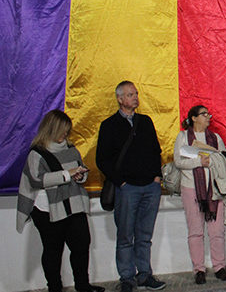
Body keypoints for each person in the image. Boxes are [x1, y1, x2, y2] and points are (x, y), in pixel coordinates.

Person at [17, 110, 105, 292]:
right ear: (51, 129)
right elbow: (36, 179)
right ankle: (54, 287)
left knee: (82, 246)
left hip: (74, 206)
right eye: (62, 130)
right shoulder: (37, 153)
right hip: (47, 210)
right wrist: (67, 174)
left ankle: (82, 285)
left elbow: (79, 169)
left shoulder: (71, 149)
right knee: (53, 251)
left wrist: (80, 175)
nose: (65, 134)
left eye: (67, 130)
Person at [95, 81, 165, 292]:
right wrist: (121, 182)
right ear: (120, 99)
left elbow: (156, 150)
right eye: (130, 94)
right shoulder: (109, 125)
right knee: (125, 236)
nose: (135, 97)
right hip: (127, 189)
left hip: (150, 187)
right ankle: (127, 277)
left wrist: (157, 177)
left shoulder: (145, 121)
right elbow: (102, 159)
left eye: (136, 93)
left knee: (144, 235)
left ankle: (145, 274)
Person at [172, 105, 226, 284]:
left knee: (217, 231)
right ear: (193, 118)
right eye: (203, 114)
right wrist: (199, 162)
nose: (208, 117)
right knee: (196, 231)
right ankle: (199, 269)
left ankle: (219, 267)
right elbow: (178, 161)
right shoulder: (183, 137)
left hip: (214, 188)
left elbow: (225, 160)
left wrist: (214, 160)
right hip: (191, 188)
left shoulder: (215, 138)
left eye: (208, 114)